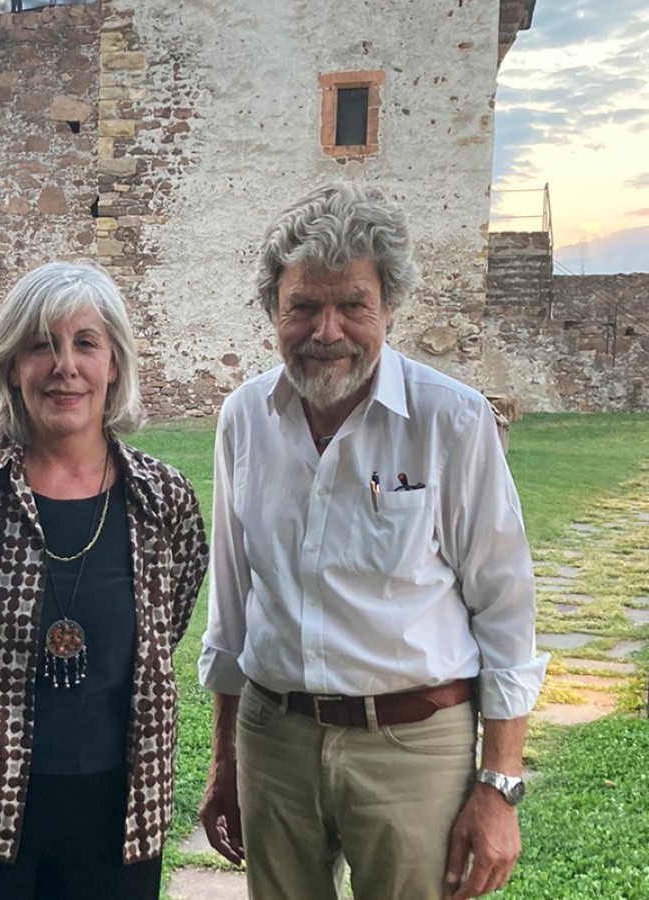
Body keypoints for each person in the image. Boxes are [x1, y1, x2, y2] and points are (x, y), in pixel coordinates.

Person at [198, 182, 546, 900]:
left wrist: (499, 787)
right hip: (274, 740)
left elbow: (505, 609)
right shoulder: (244, 419)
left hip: (413, 746)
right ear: (274, 310)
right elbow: (232, 609)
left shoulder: (450, 422)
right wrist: (224, 763)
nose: (327, 330)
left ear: (389, 307)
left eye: (352, 304)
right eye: (304, 306)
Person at [0, 261, 208, 899]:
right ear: (13, 367)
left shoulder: (163, 501)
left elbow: (170, 615)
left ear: (115, 365)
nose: (64, 366)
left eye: (86, 344)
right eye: (41, 344)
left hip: (118, 814)